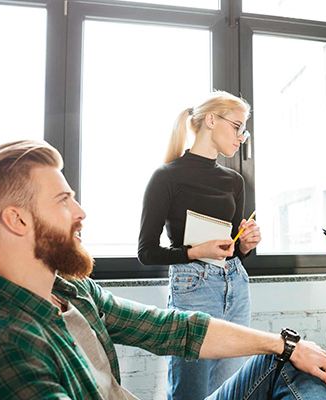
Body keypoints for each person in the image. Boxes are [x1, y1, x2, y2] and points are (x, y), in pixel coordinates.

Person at [0, 139, 326, 399]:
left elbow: (173, 328)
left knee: (286, 359)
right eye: (64, 200)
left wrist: (285, 344)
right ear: (17, 220)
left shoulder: (71, 290)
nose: (81, 212)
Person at [137, 91, 261, 399]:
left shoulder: (235, 180)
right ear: (210, 120)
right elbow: (146, 252)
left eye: (243, 130)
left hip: (235, 286)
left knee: (229, 392)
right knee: (189, 393)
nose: (241, 137)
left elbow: (234, 251)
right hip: (193, 289)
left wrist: (245, 244)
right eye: (236, 126)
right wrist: (195, 252)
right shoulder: (166, 177)